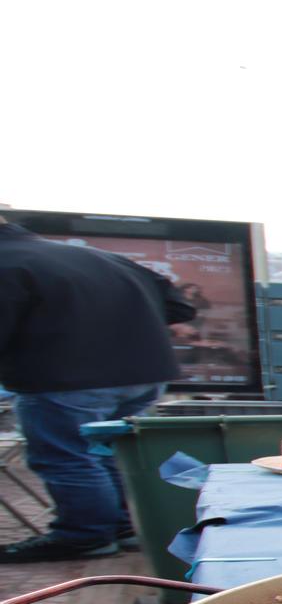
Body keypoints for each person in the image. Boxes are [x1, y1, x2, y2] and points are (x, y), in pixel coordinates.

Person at [0, 215, 194, 562]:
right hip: (142, 373)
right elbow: (179, 305)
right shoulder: (96, 257)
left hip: (65, 376)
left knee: (67, 456)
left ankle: (84, 534)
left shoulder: (9, 262)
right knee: (108, 452)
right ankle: (119, 525)